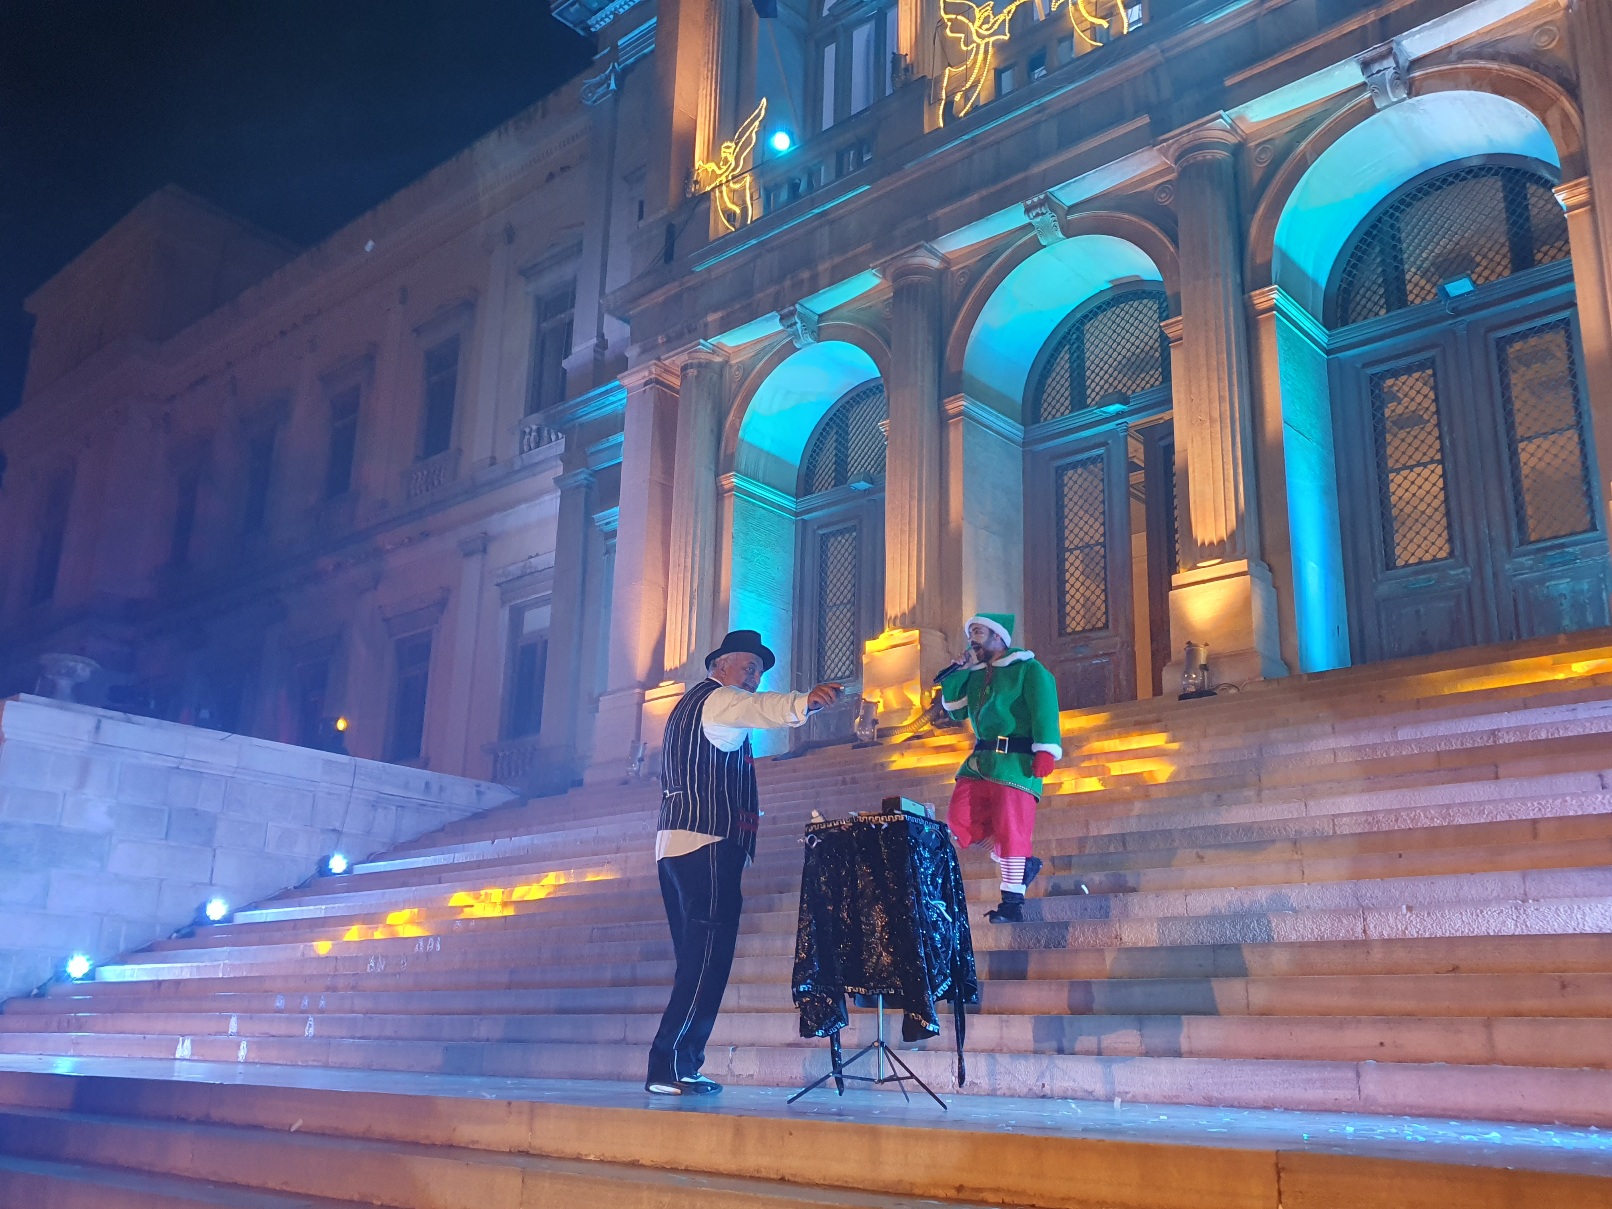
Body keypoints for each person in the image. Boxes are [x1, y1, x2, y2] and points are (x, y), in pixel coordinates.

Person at [647, 628, 843, 1095]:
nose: (754, 678)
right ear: (720, 667)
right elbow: (762, 709)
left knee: (695, 962)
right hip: (707, 843)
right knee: (706, 963)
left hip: (676, 843)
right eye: (748, 667)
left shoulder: (692, 707)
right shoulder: (720, 699)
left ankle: (680, 1065)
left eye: (758, 671)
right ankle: (670, 1066)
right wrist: (805, 702)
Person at [937, 613, 1063, 923]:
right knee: (959, 819)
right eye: (971, 633)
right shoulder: (976, 674)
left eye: (979, 632)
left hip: (1015, 761)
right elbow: (956, 712)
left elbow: (1044, 709)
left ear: (998, 637)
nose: (972, 640)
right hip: (980, 762)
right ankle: (1022, 862)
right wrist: (957, 673)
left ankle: (1012, 902)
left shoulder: (1028, 669)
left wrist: (1046, 750)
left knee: (1011, 828)